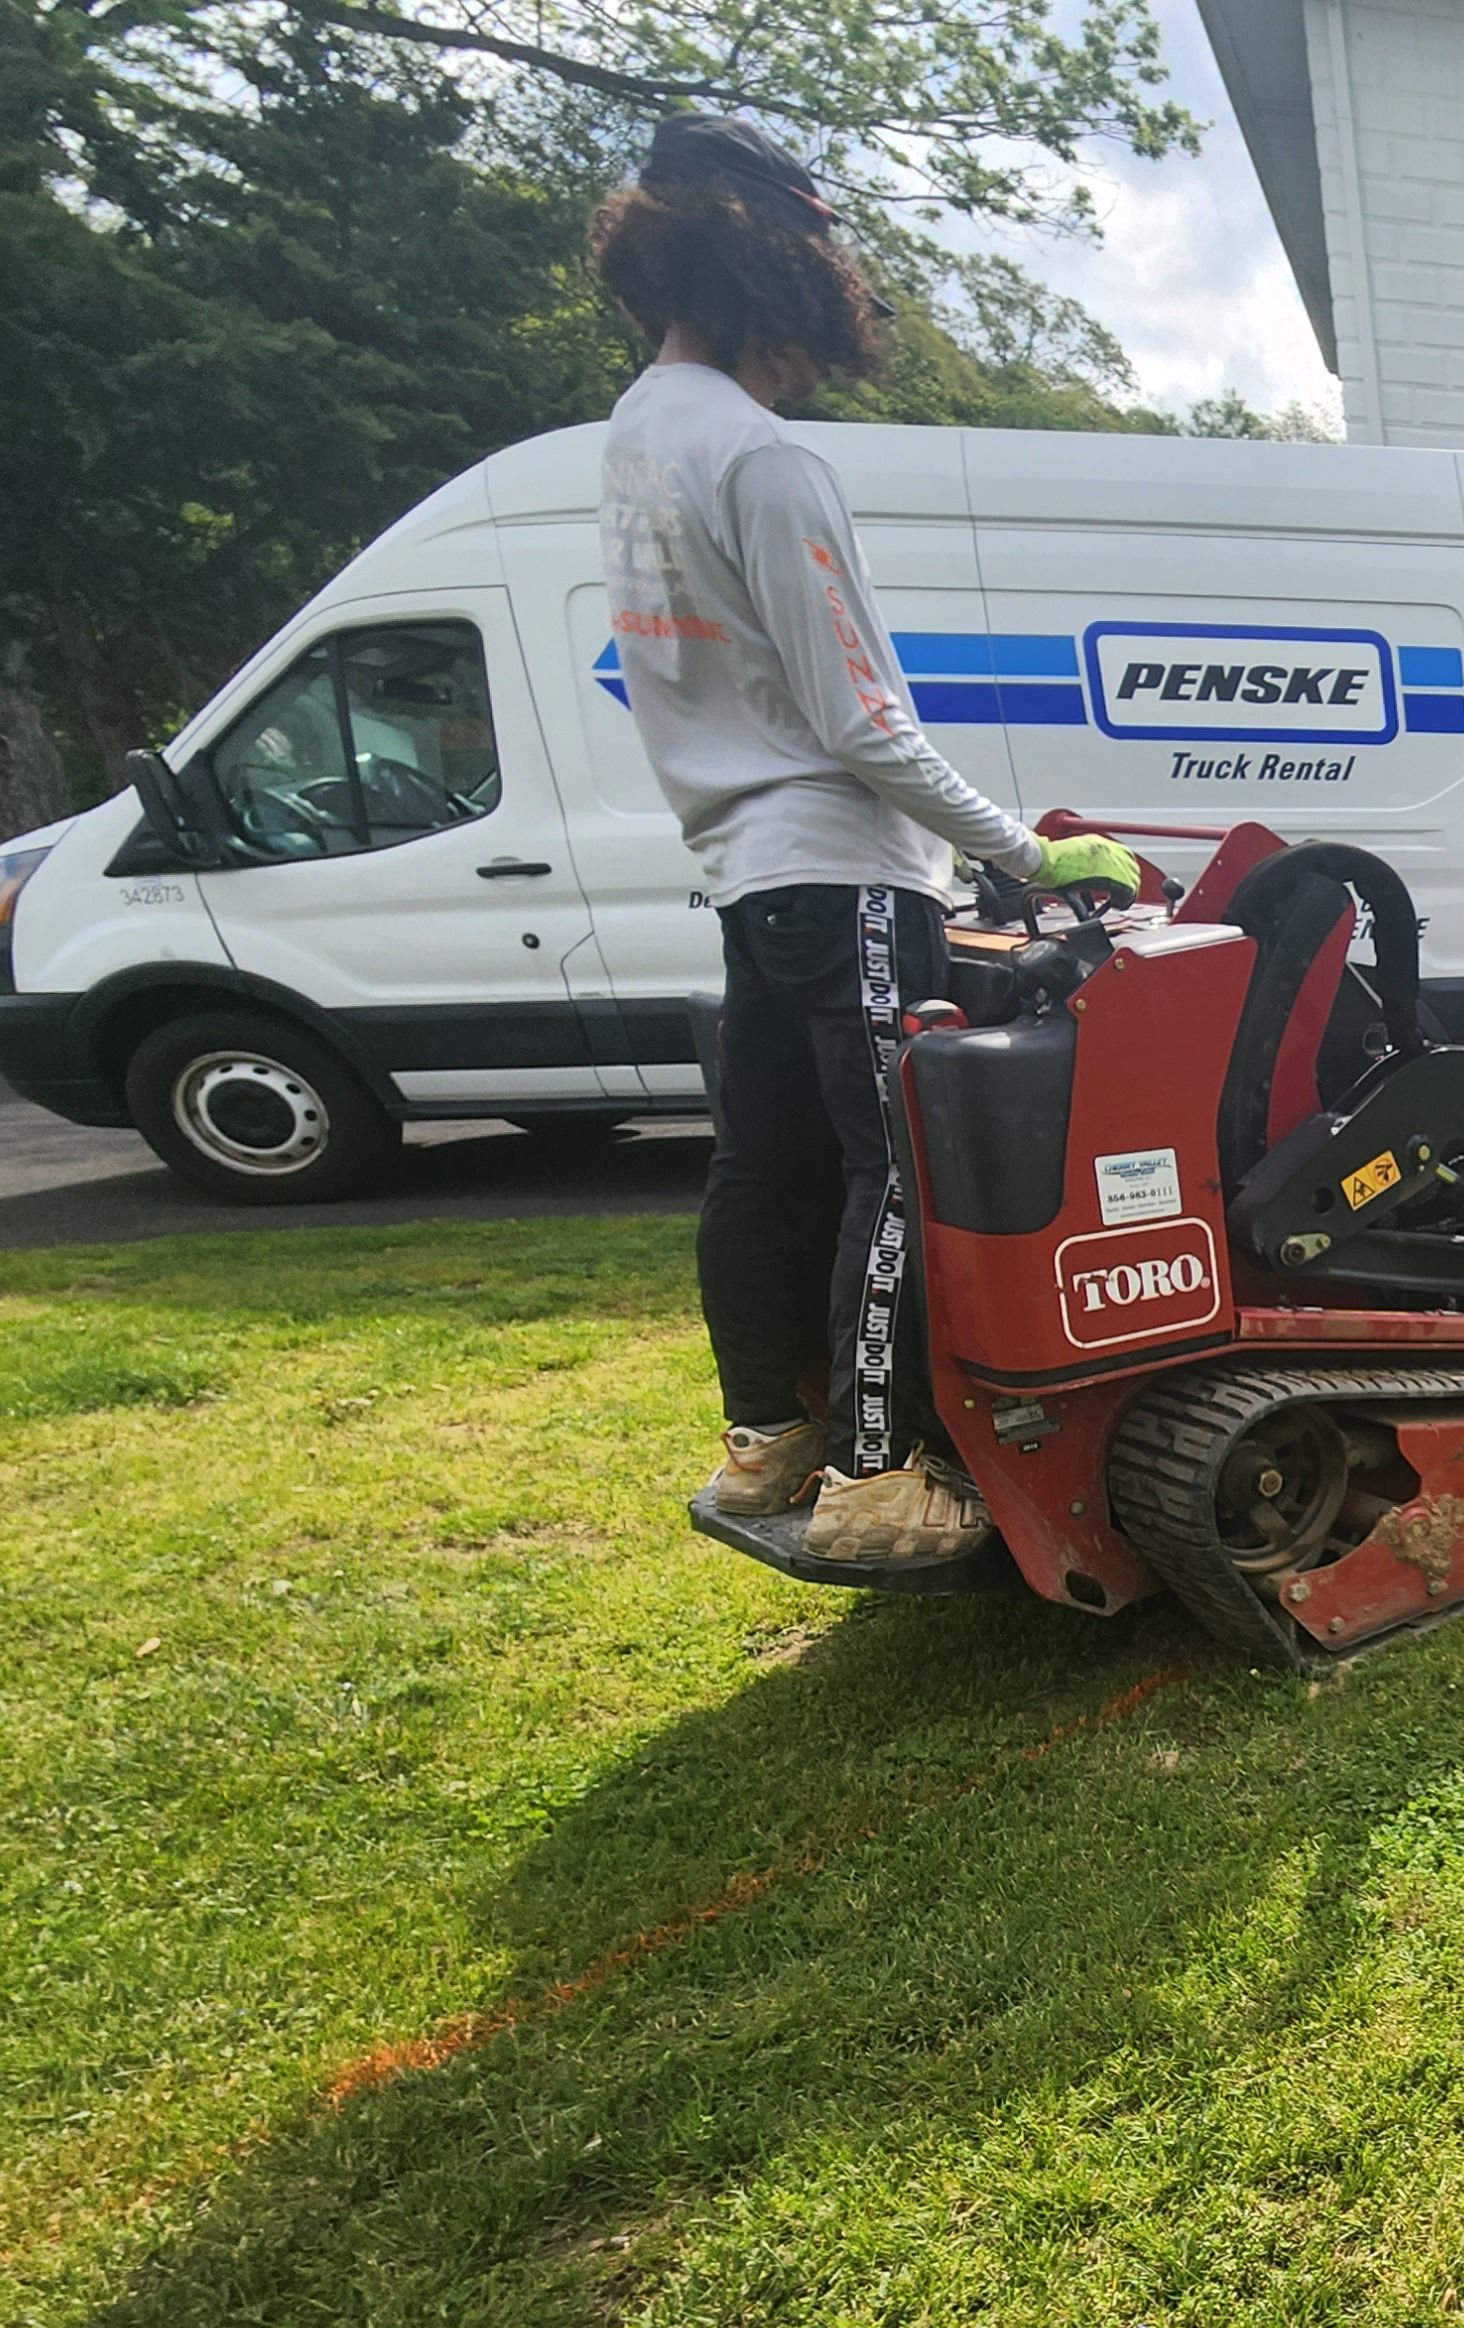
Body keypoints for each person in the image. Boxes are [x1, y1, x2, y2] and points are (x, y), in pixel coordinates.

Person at [588, 113, 1138, 1560]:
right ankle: (878, 1482)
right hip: (844, 873)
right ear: (782, 283)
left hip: (749, 882)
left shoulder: (639, 444)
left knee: (757, 1168)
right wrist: (1029, 854)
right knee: (889, 1172)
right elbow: (863, 726)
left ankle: (767, 1443)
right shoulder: (765, 461)